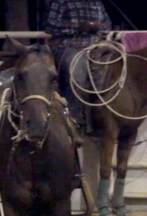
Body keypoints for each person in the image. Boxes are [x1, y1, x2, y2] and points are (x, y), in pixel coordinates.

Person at [44, 0, 112, 133]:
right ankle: (74, 117)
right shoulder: (61, 2)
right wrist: (78, 28)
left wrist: (97, 27)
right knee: (76, 71)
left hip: (95, 45)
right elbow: (49, 27)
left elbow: (107, 24)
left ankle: (105, 114)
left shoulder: (97, 3)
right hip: (69, 45)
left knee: (115, 64)